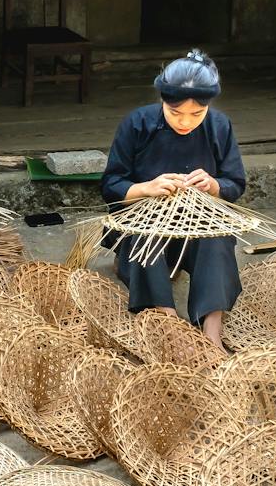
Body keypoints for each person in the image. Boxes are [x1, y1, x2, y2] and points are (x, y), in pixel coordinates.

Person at [100, 50, 247, 346]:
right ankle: (167, 322)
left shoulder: (219, 126)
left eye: (196, 114)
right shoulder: (137, 123)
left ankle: (212, 332)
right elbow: (111, 184)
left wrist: (213, 185)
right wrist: (146, 188)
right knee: (146, 238)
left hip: (196, 220)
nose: (185, 122)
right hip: (141, 218)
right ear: (163, 101)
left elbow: (235, 183)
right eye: (175, 113)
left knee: (217, 238)